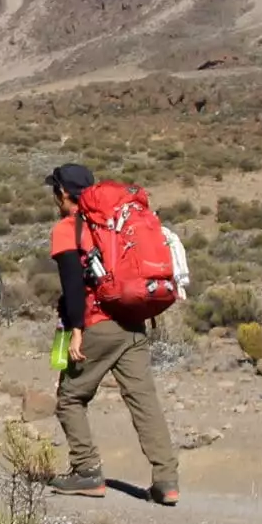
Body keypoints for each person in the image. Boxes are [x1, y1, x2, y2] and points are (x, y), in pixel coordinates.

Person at [45, 164, 180, 504]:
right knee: (144, 401)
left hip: (97, 324)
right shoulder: (114, 223)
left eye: (55, 192)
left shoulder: (68, 228)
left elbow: (74, 287)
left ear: (63, 193)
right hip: (133, 322)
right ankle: (167, 481)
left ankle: (86, 471)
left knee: (70, 398)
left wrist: (76, 331)